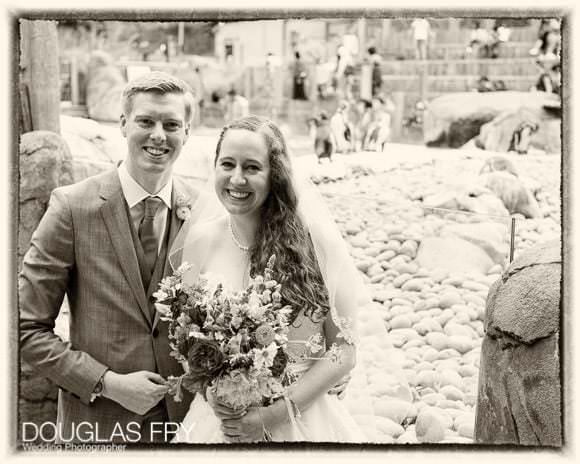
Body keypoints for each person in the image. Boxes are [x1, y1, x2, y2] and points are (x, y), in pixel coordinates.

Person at [19, 72, 199, 443]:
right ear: (122, 124)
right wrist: (107, 383)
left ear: (187, 132)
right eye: (145, 122)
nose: (158, 136)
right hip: (98, 429)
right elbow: (24, 329)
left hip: (189, 429)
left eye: (171, 125)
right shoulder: (72, 207)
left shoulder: (203, 211)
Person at [170, 116, 371, 442]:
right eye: (228, 164)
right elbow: (188, 337)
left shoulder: (316, 244)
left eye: (252, 168)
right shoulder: (200, 240)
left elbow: (344, 350)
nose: (237, 178)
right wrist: (212, 394)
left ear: (274, 175)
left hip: (300, 420)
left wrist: (272, 415)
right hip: (220, 423)